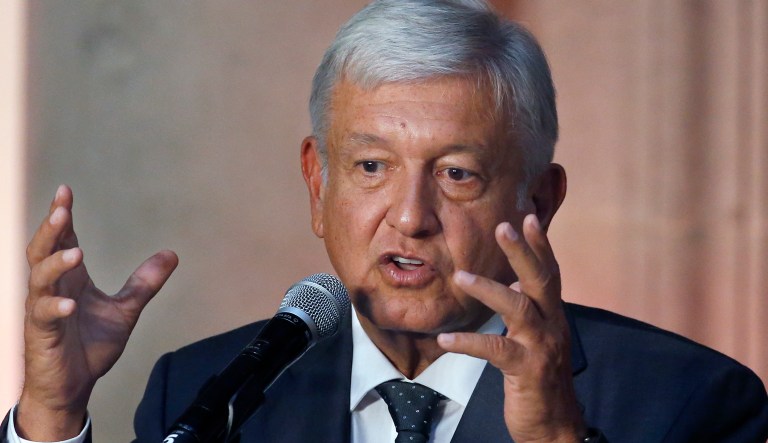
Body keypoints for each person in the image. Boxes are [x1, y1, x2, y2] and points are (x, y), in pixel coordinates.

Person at [5, 0, 768, 442]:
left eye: (458, 174)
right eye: (371, 167)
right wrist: (51, 413)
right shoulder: (207, 393)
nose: (410, 217)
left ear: (538, 201)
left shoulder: (690, 402)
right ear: (317, 182)